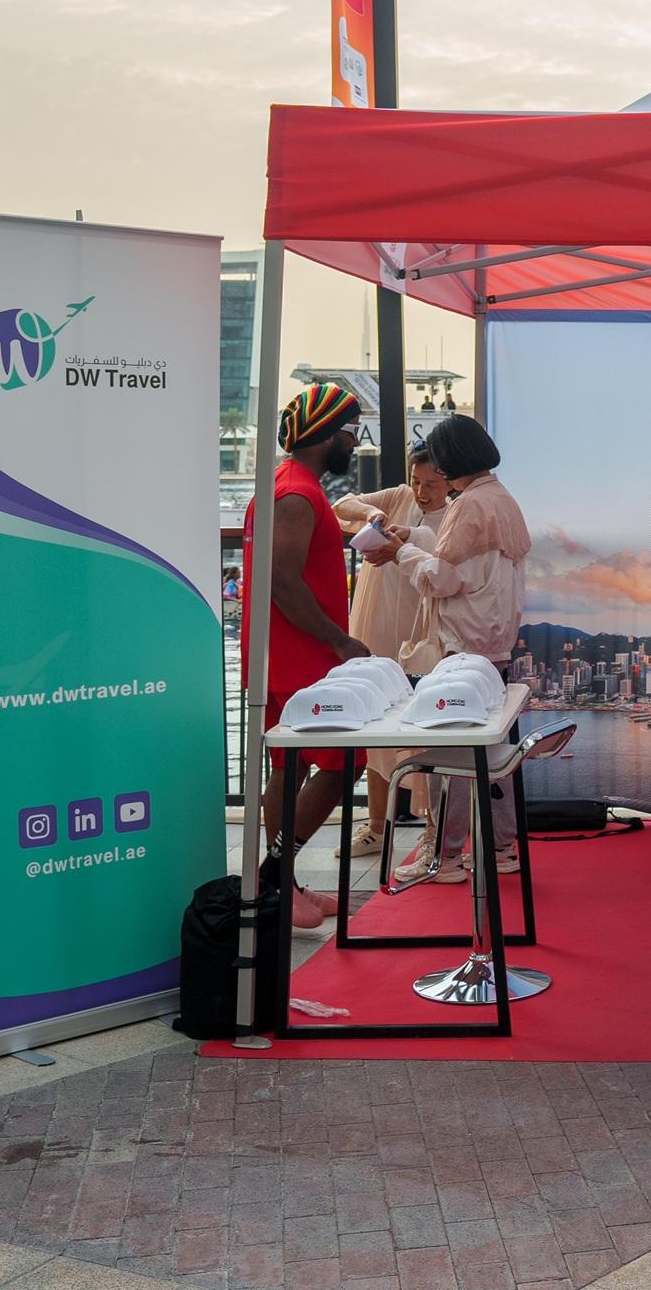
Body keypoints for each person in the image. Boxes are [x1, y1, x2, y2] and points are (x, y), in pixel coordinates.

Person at [241, 382, 393, 934]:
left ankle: (283, 886)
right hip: (306, 661)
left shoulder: (280, 486)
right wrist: (341, 642)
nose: (353, 443)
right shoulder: (299, 494)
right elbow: (283, 581)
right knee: (341, 765)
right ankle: (272, 880)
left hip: (280, 657)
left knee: (286, 765)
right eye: (351, 433)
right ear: (327, 435)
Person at [386, 416, 533, 886]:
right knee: (493, 757)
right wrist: (418, 543)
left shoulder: (470, 505)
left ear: (449, 459)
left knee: (443, 756)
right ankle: (503, 849)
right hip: (494, 645)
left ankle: (443, 858)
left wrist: (400, 554)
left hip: (461, 647)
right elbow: (474, 567)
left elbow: (443, 578)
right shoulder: (501, 498)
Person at [328, 444, 450, 860]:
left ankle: (433, 828)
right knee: (375, 727)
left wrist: (406, 538)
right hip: (374, 626)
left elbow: (440, 558)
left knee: (423, 733)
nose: (422, 492)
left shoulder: (453, 517)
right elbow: (343, 503)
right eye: (418, 482)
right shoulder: (398, 496)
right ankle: (377, 826)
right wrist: (370, 516)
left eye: (432, 484)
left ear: (450, 481)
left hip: (417, 634)